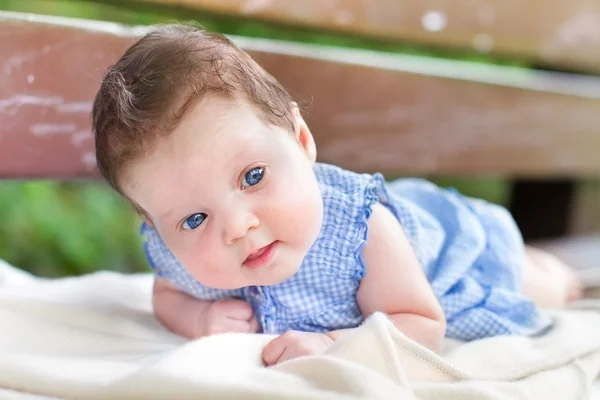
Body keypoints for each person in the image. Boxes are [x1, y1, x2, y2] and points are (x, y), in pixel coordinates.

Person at [91, 23, 581, 366]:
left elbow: (423, 322)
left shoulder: (363, 231)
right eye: (194, 220)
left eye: (253, 176)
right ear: (158, 228)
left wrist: (333, 345)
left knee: (535, 284)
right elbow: (166, 292)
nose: (237, 226)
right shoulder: (181, 258)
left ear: (301, 142)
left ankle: (554, 269)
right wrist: (199, 317)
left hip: (445, 260)